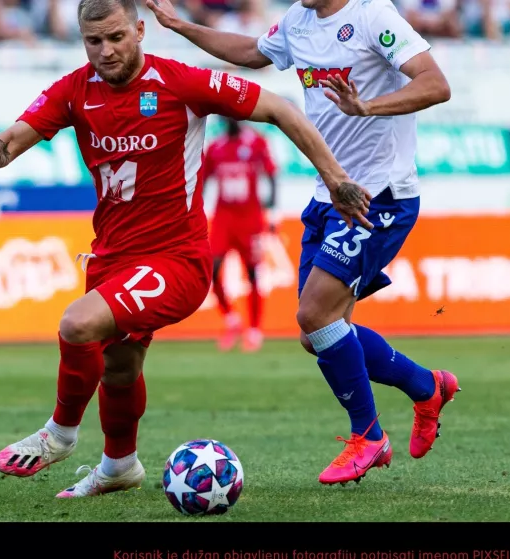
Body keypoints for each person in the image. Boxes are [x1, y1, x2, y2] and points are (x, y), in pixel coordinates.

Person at [0, 0, 370, 498]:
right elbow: (10, 143)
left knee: (77, 324)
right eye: (93, 41)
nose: (106, 51)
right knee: (119, 366)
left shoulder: (181, 83)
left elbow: (279, 108)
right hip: (111, 257)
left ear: (140, 31)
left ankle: (58, 435)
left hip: (176, 260)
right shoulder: (74, 91)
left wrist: (336, 179)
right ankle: (120, 465)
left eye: (117, 37)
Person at [146, 0, 458, 486]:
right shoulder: (298, 19)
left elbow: (436, 84)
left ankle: (368, 437)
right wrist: (178, 24)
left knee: (316, 316)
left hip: (380, 196)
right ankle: (427, 386)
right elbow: (252, 52)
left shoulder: (374, 15)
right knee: (317, 335)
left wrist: (366, 106)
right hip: (327, 195)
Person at [203, 116, 278, 352]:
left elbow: (271, 175)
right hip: (224, 218)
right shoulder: (215, 147)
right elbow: (202, 181)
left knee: (253, 273)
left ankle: (255, 329)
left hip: (250, 218)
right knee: (211, 269)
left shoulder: (256, 141)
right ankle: (232, 320)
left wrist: (273, 213)